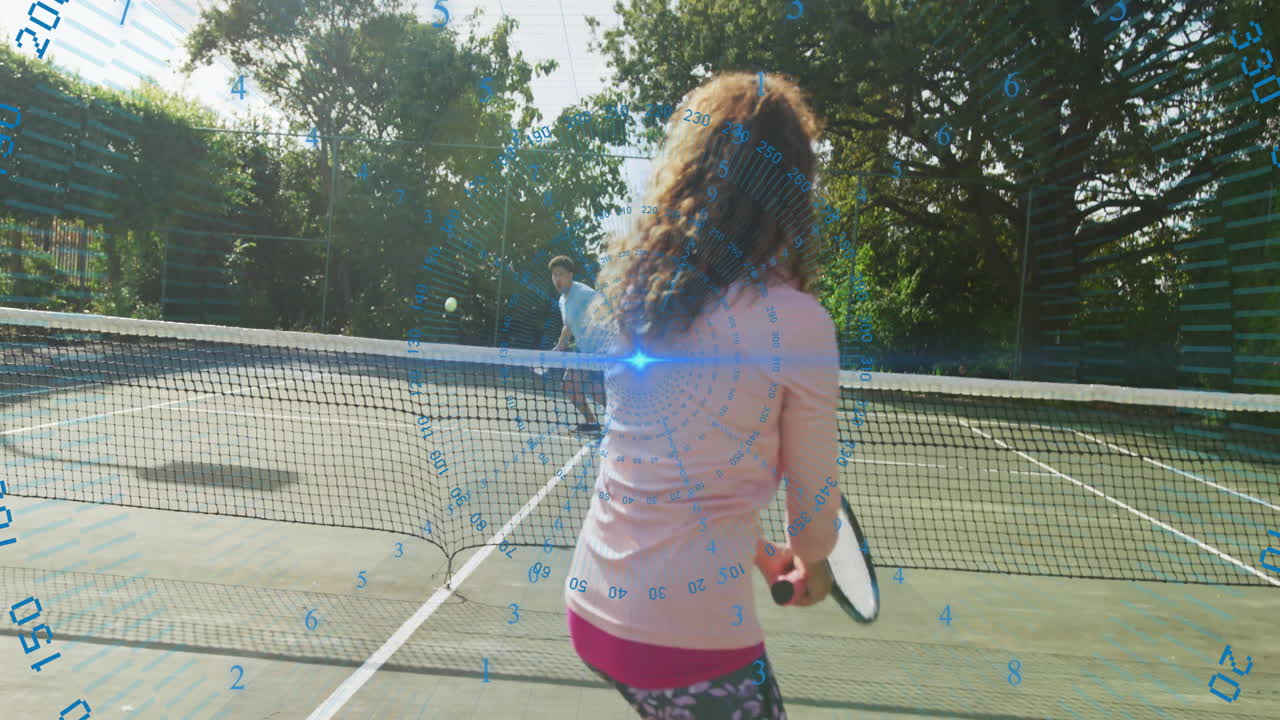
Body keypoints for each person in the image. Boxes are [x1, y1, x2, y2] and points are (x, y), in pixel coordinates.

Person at [562, 71, 842, 719]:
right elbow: (816, 522)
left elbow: (683, 476)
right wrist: (813, 562)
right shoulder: (796, 323)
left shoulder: (641, 301)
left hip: (594, 610)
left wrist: (769, 556)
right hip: (686, 645)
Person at [549, 254, 608, 433]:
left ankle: (627, 417)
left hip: (603, 348)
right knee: (575, 385)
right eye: (554, 275)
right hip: (586, 351)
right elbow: (568, 325)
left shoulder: (584, 293)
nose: (557, 278)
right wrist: (560, 346)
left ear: (570, 275)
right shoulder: (562, 300)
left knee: (576, 384)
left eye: (560, 274)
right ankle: (592, 423)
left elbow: (606, 313)